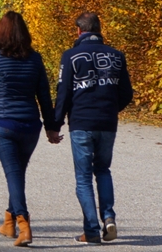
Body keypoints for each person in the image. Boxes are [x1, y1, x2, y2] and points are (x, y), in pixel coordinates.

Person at [0, 11, 63, 247]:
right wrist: (50, 127)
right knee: (16, 174)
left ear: (0, 32)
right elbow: (44, 96)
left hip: (2, 124)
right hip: (29, 126)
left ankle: (24, 226)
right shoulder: (35, 59)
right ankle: (8, 222)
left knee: (14, 174)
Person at [54, 12, 134, 244]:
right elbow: (126, 93)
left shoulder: (70, 56)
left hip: (81, 122)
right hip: (107, 122)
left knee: (83, 177)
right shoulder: (117, 56)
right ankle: (108, 217)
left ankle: (90, 230)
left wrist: (55, 124)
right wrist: (110, 109)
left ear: (79, 31)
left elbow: (64, 93)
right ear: (99, 29)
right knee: (103, 170)